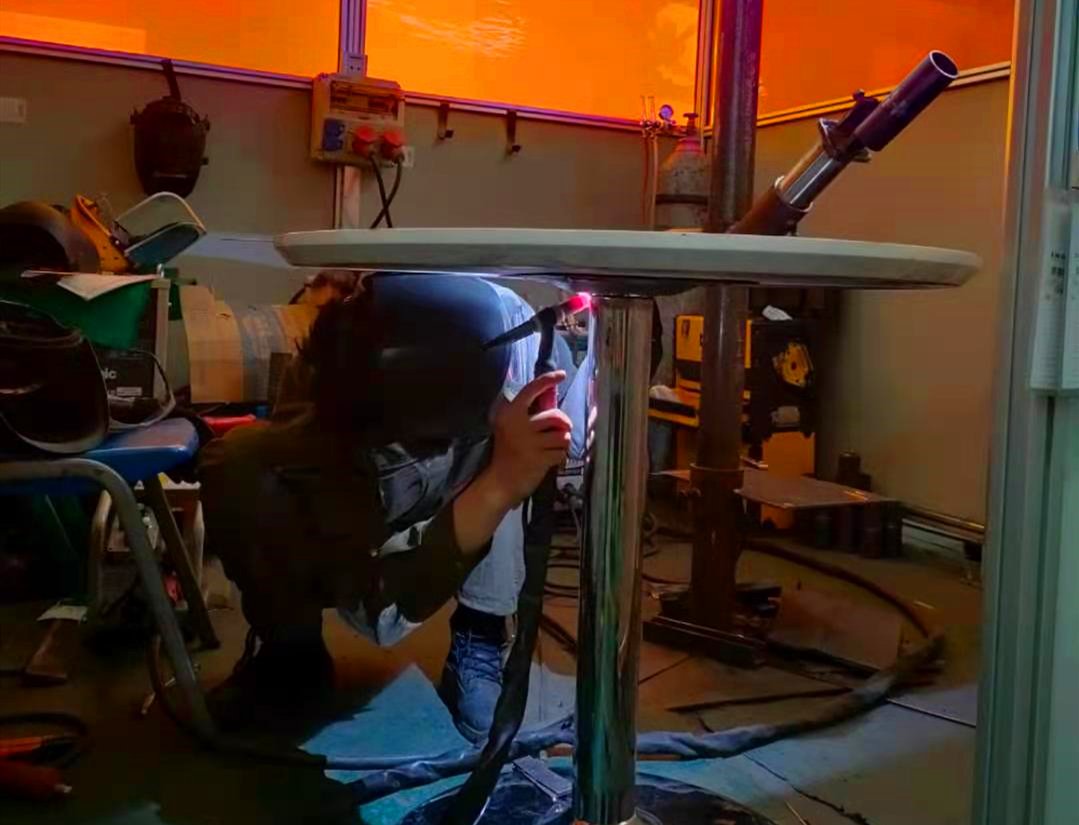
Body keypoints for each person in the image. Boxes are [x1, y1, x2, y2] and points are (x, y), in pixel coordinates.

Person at [198, 273, 589, 739]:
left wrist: (508, 477)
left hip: (476, 422)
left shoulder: (526, 358)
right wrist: (499, 484)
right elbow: (382, 614)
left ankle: (480, 631)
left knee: (521, 454)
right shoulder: (334, 371)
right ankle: (291, 651)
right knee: (239, 464)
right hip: (379, 453)